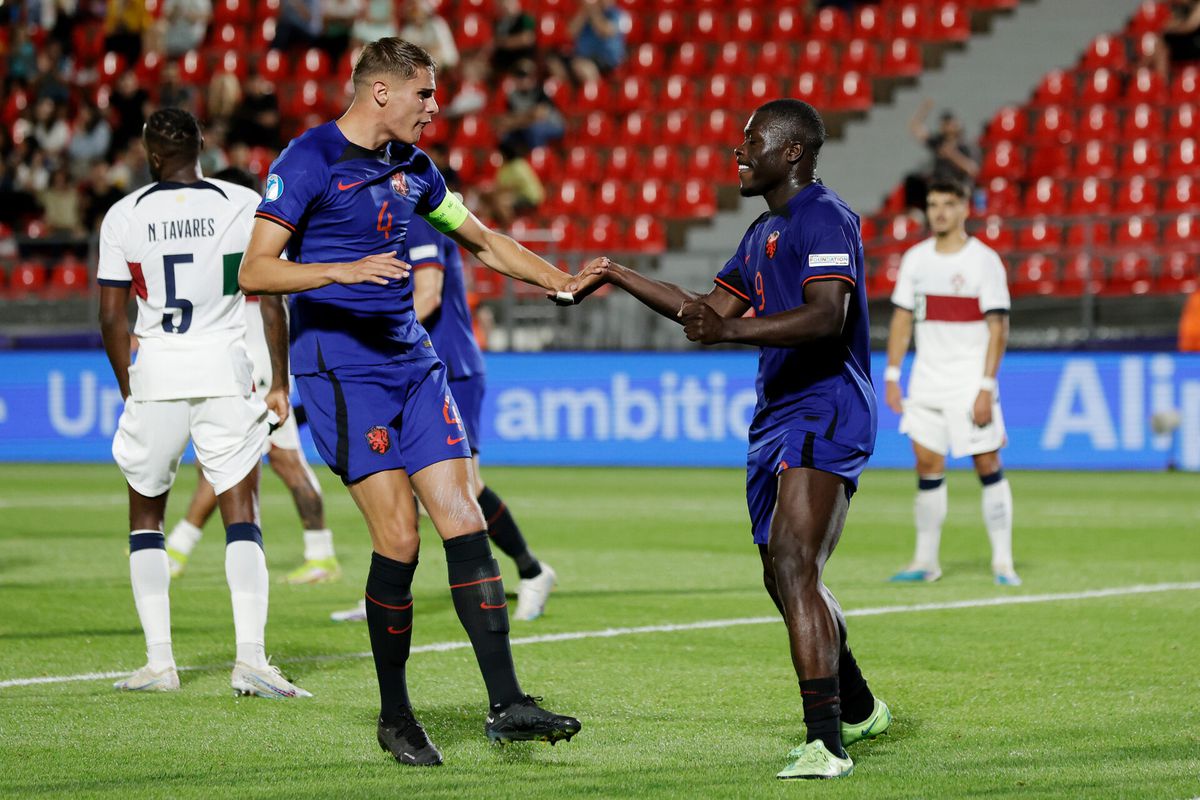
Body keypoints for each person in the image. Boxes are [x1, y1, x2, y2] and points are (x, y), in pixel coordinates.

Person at [237, 38, 591, 765]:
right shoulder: (307, 160)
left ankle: (509, 704)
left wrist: (558, 279)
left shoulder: (416, 170)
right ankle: (396, 716)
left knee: (464, 519)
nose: (435, 110)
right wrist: (344, 270)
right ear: (381, 93)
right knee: (399, 540)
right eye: (425, 95)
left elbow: (485, 241)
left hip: (415, 362)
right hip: (342, 370)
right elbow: (257, 270)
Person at [568, 99, 890, 781]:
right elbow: (707, 312)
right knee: (782, 575)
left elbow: (828, 316)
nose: (737, 154)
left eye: (751, 143)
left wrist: (733, 333)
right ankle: (859, 708)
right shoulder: (762, 233)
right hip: (777, 413)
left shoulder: (824, 218)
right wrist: (615, 274)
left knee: (795, 564)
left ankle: (825, 744)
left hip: (827, 405)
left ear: (793, 151)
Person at [97, 108, 308, 699]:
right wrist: (280, 381)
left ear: (150, 152)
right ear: (200, 147)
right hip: (225, 369)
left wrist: (127, 385)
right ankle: (251, 661)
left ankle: (159, 664)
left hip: (158, 372)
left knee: (146, 519)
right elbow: (270, 296)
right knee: (242, 511)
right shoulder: (242, 203)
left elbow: (113, 315)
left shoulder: (124, 215)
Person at [330, 215, 556, 623]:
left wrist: (369, 344)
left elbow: (428, 295)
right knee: (394, 483)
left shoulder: (416, 219)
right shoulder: (384, 220)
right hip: (404, 368)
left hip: (447, 365)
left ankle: (533, 572)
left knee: (464, 485)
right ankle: (386, 594)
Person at [163, 166, 340, 586]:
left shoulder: (251, 228)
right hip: (243, 347)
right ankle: (320, 553)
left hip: (254, 349)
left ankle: (179, 547)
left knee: (265, 457)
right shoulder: (250, 226)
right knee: (255, 456)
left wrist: (276, 376)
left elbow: (268, 298)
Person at [884, 179, 1018, 586]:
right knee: (926, 465)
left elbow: (999, 328)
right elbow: (902, 320)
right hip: (926, 383)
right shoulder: (915, 259)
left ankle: (1002, 562)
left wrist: (985, 387)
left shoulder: (984, 262)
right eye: (932, 204)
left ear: (964, 209)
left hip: (968, 383)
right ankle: (926, 562)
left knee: (987, 463)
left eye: (947, 204)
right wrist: (892, 375)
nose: (939, 211)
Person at [904, 99, 979, 213]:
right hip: (938, 188)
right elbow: (915, 127)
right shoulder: (939, 142)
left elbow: (972, 169)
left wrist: (952, 155)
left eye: (950, 123)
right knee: (912, 180)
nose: (947, 126)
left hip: (958, 188)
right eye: (945, 123)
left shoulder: (965, 146)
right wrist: (925, 109)